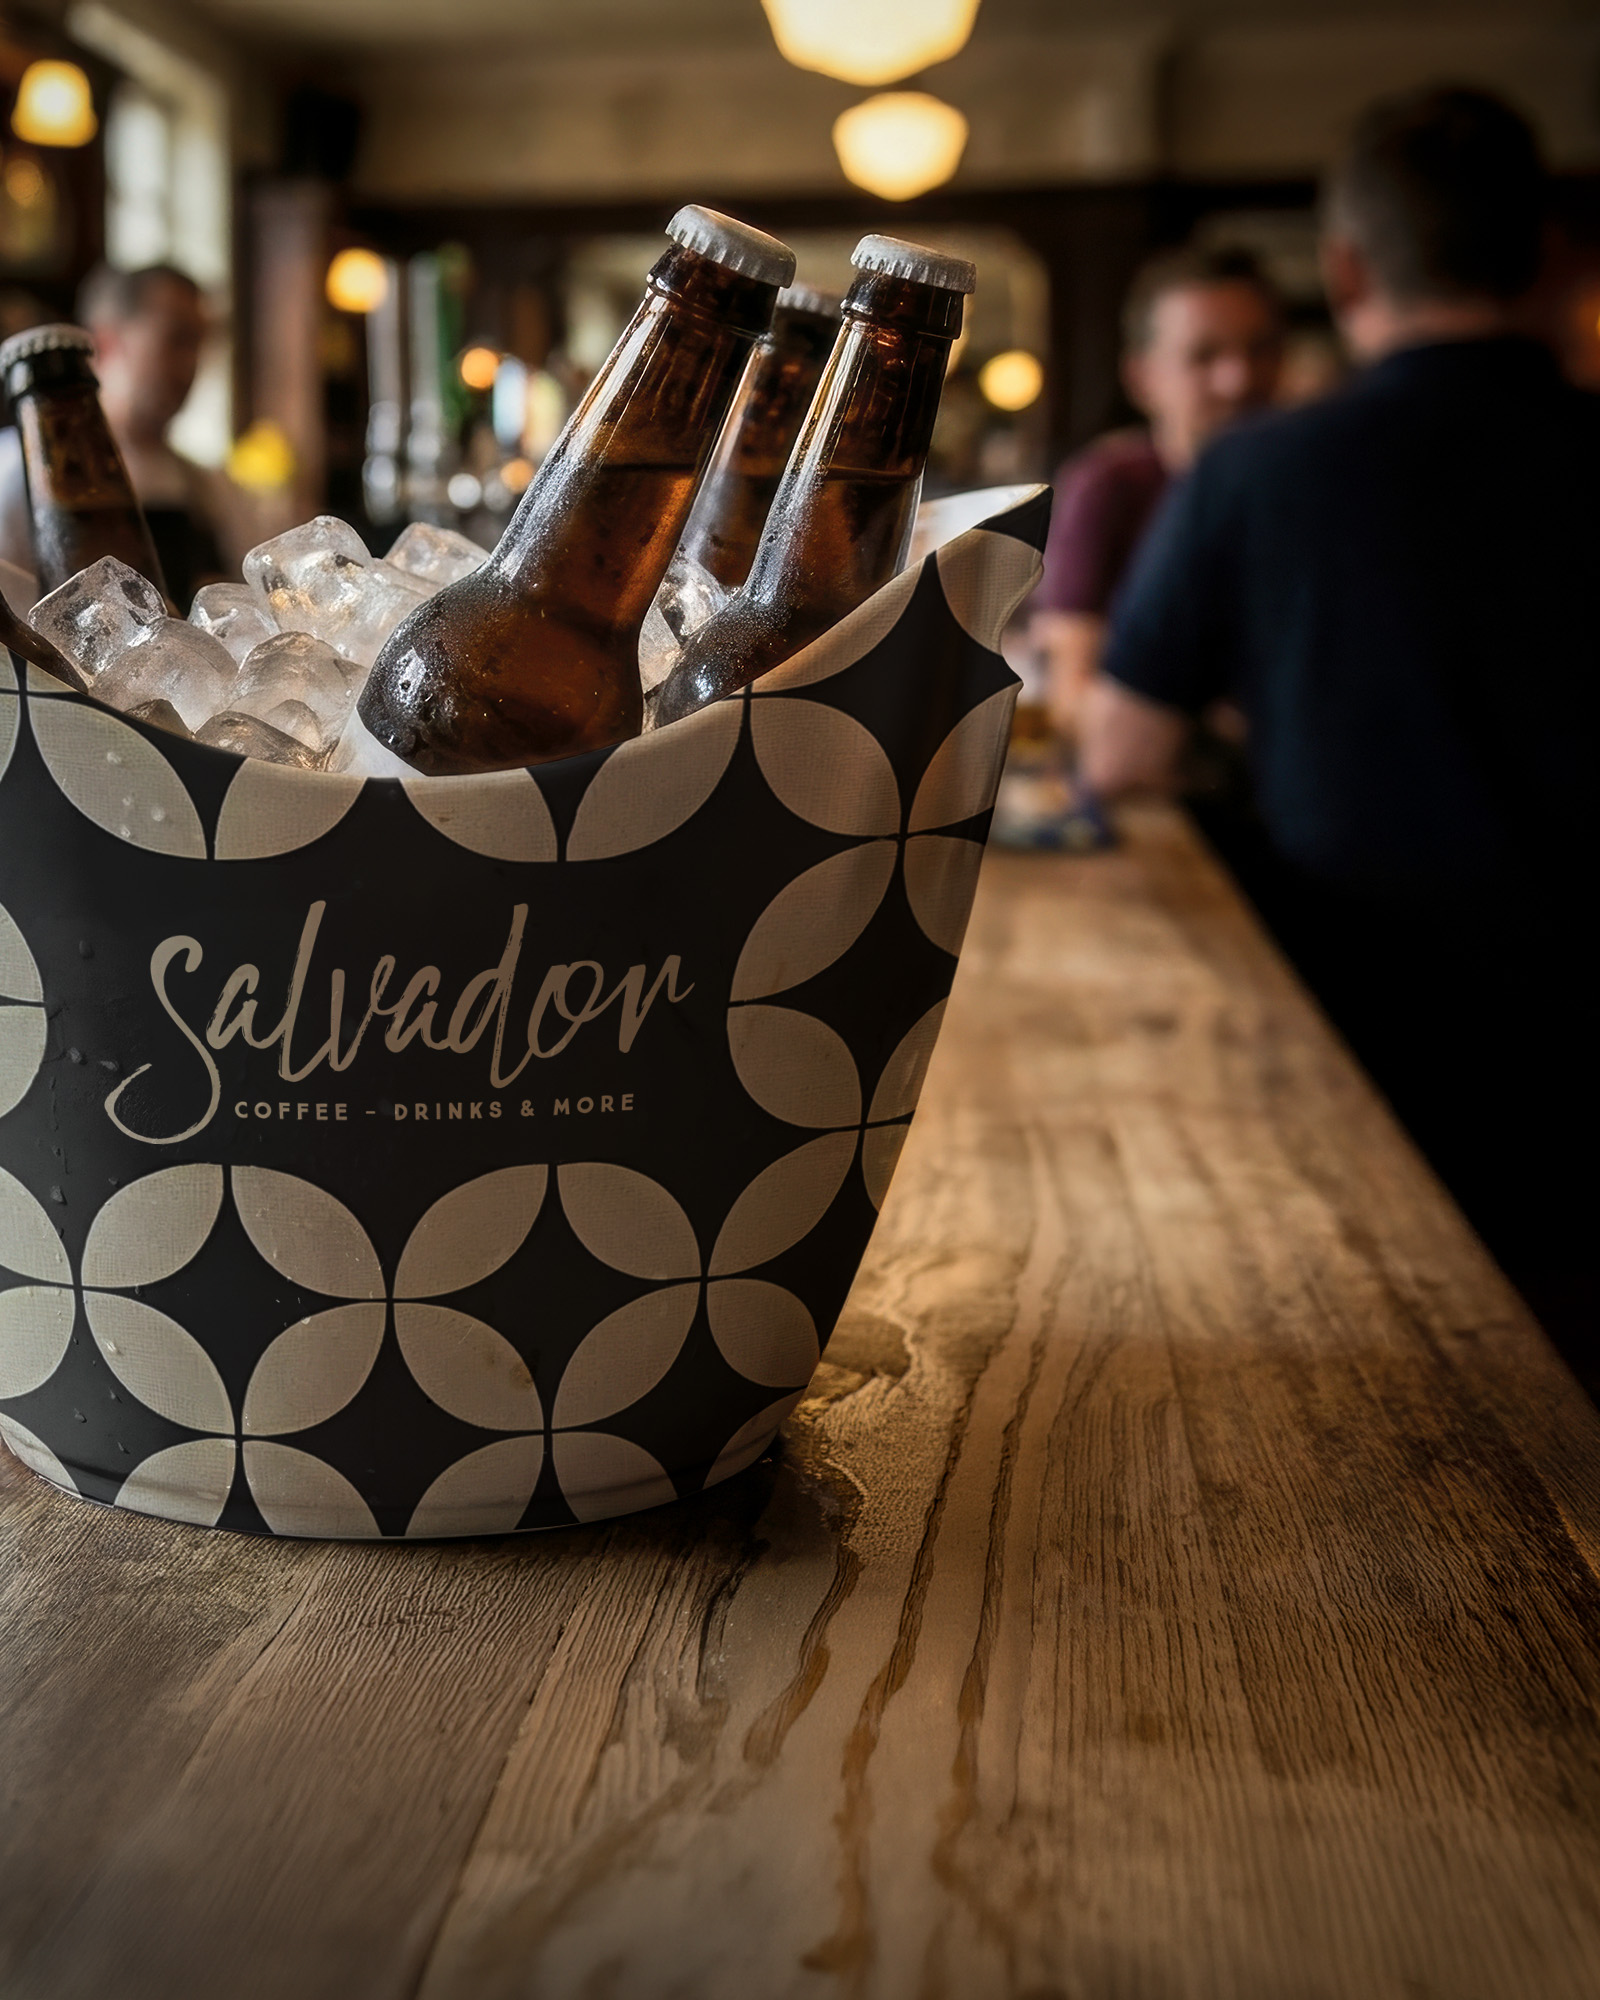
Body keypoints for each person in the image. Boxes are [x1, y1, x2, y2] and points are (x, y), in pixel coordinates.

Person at [1081, 87, 1599, 1378]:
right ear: (1549, 259)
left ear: (1346, 269)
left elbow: (1119, 758)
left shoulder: (1256, 475)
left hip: (1360, 1070)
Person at [1031, 247, 1284, 738]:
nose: (1239, 380)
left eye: (1261, 349)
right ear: (1143, 378)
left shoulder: (1307, 485)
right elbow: (1072, 698)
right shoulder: (1107, 485)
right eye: (1204, 356)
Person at [0, 264, 232, 608]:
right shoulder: (16, 469)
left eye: (199, 344)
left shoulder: (203, 484)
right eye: (177, 339)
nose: (191, 364)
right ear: (105, 344)